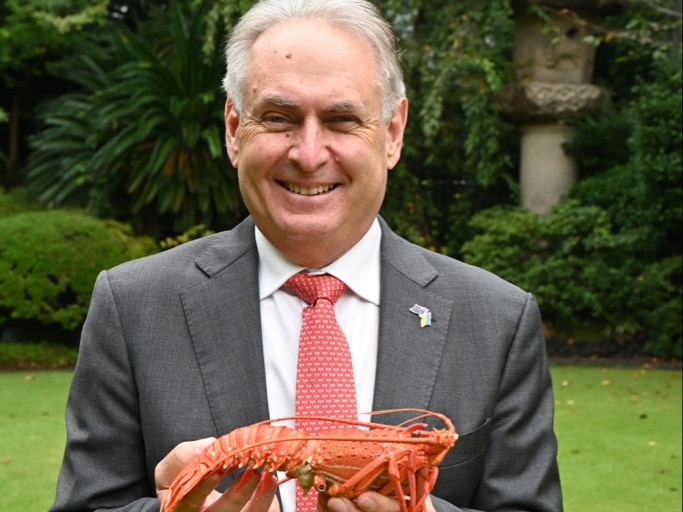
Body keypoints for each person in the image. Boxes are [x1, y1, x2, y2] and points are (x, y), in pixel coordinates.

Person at [49, 1, 563, 511]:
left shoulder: (498, 320)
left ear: (392, 132)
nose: (309, 154)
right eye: (278, 118)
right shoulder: (132, 306)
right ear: (233, 129)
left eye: (342, 120)